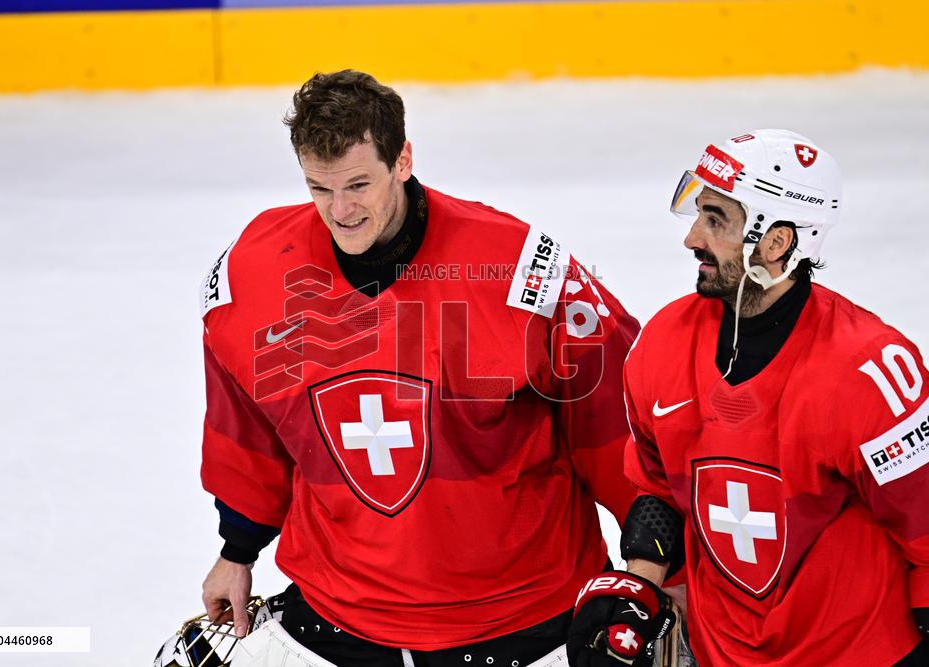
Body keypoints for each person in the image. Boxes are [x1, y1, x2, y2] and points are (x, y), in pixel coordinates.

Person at [196, 70, 641, 667]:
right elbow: (248, 428)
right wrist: (237, 550)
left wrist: (658, 564)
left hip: (525, 615)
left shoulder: (518, 270)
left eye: (359, 184)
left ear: (403, 160)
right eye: (319, 188)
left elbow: (618, 421)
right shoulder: (254, 273)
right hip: (342, 611)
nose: (340, 211)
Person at [567, 129, 929, 667]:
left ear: (776, 243)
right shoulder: (662, 344)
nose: (692, 238)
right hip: (720, 651)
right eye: (698, 214)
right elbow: (659, 488)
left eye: (716, 221)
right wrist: (638, 587)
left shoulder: (869, 371)